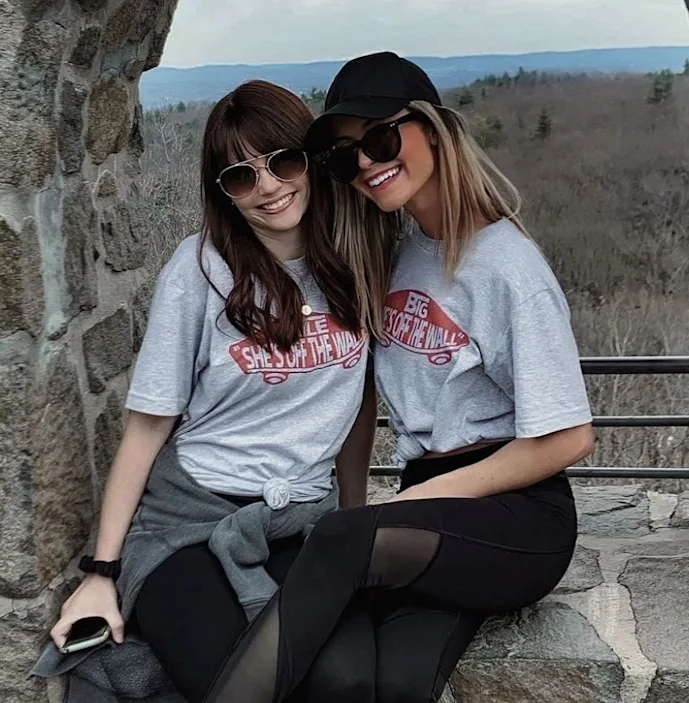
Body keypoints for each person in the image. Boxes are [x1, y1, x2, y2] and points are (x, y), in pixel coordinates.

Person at [203, 52, 595, 703]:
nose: (366, 164)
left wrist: (391, 515)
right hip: (430, 509)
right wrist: (361, 513)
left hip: (517, 517)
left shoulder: (507, 267)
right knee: (398, 681)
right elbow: (361, 396)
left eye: (381, 138)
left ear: (433, 130)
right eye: (344, 157)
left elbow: (569, 437)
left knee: (334, 547)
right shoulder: (397, 253)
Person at [35, 80, 380, 703]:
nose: (269, 187)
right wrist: (101, 572)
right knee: (237, 686)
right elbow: (146, 429)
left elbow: (356, 410)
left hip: (300, 519)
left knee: (349, 681)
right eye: (241, 177)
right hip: (188, 518)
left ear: (311, 160)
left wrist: (352, 523)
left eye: (283, 161)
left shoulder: (357, 259)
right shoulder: (199, 271)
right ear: (224, 192)